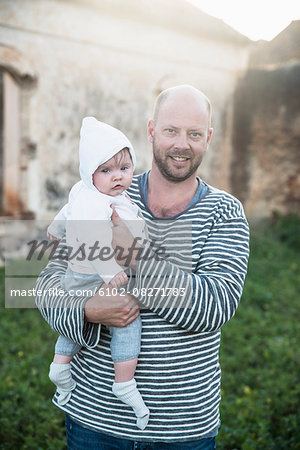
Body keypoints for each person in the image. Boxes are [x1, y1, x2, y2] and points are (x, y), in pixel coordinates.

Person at [36, 85, 249, 449]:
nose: (182, 144)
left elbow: (215, 306)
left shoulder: (224, 212)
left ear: (208, 138)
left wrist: (135, 255)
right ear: (151, 131)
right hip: (94, 422)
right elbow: (46, 285)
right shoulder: (105, 190)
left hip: (181, 429)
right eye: (171, 130)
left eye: (194, 134)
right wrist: (87, 308)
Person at [47, 117, 149, 429]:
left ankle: (61, 363)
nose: (117, 177)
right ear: (90, 172)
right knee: (128, 321)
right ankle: (124, 382)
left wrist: (54, 230)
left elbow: (66, 211)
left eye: (124, 168)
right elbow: (92, 239)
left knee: (80, 319)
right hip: (93, 274)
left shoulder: (86, 191)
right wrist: (109, 274)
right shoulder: (97, 200)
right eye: (106, 170)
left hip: (77, 276)